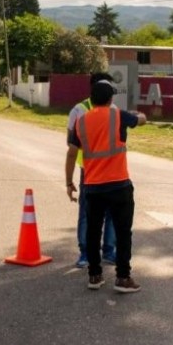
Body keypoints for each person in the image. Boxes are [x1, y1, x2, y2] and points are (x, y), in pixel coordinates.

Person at [65, 79, 146, 293]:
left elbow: (72, 153)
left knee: (93, 231)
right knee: (123, 232)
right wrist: (138, 114)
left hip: (92, 186)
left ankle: (94, 275)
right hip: (119, 185)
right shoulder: (118, 115)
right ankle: (122, 277)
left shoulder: (80, 122)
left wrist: (68, 182)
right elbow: (142, 120)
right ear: (111, 99)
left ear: (91, 99)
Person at [66, 72, 117, 268]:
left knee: (110, 213)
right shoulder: (78, 110)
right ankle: (86, 252)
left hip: (110, 172)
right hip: (89, 170)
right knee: (87, 213)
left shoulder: (114, 110)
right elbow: (70, 145)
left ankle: (109, 251)